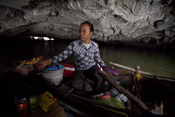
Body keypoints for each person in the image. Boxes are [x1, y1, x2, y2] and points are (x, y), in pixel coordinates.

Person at [35, 21, 106, 93]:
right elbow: (62, 56)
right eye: (80, 31)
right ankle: (90, 90)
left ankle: (96, 91)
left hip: (92, 66)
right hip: (80, 69)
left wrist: (105, 67)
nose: (81, 34)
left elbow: (98, 58)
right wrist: (47, 62)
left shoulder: (95, 45)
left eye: (84, 31)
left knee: (99, 77)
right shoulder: (74, 45)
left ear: (91, 33)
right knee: (74, 83)